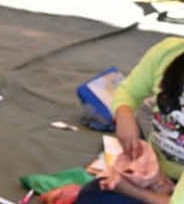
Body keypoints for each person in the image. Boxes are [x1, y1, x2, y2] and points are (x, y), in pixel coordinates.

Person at [71, 38, 184, 204]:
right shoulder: (169, 51)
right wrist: (124, 115)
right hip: (157, 172)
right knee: (92, 196)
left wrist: (125, 187)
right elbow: (128, 91)